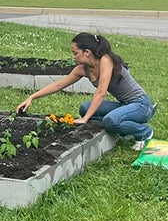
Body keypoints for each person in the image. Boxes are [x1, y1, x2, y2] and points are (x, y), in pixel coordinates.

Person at [17, 32, 155, 150]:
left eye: (75, 52)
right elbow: (58, 85)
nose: (73, 56)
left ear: (87, 52)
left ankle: (144, 132)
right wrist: (32, 97)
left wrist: (85, 119)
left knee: (109, 121)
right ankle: (124, 125)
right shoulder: (82, 69)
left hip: (141, 105)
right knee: (85, 107)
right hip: (125, 104)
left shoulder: (105, 60)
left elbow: (101, 92)